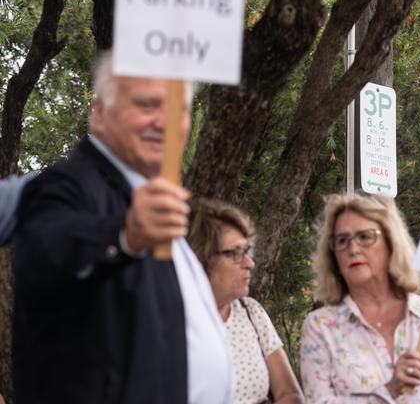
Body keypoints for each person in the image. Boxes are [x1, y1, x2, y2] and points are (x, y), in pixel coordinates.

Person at [11, 51, 233, 404]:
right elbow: (46, 249)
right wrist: (123, 235)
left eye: (178, 109)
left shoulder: (151, 198)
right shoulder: (65, 186)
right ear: (99, 112)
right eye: (147, 105)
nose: (163, 122)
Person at [300, 193, 420, 403]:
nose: (353, 249)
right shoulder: (321, 327)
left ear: (391, 242)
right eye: (342, 241)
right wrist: (389, 390)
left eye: (365, 237)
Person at [188, 198, 304, 404]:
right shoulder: (172, 322)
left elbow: (289, 393)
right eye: (236, 253)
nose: (250, 263)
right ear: (201, 257)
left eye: (248, 251)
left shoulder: (251, 312)